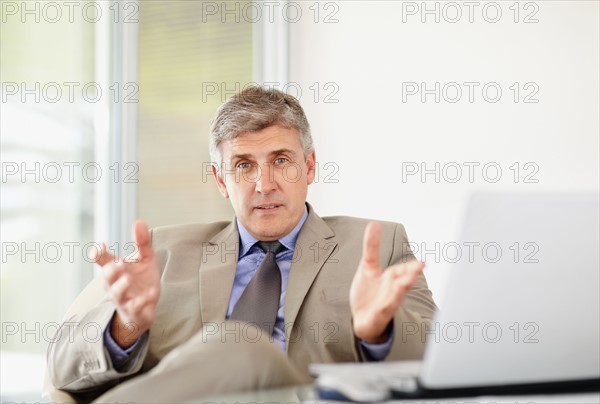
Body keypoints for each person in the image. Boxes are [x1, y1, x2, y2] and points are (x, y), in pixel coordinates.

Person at [47, 86, 436, 403]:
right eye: (244, 165)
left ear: (310, 167)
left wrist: (379, 332)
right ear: (221, 180)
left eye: (281, 160)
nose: (264, 184)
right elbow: (61, 370)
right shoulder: (166, 251)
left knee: (240, 339)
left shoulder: (377, 245)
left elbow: (445, 365)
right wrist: (125, 327)